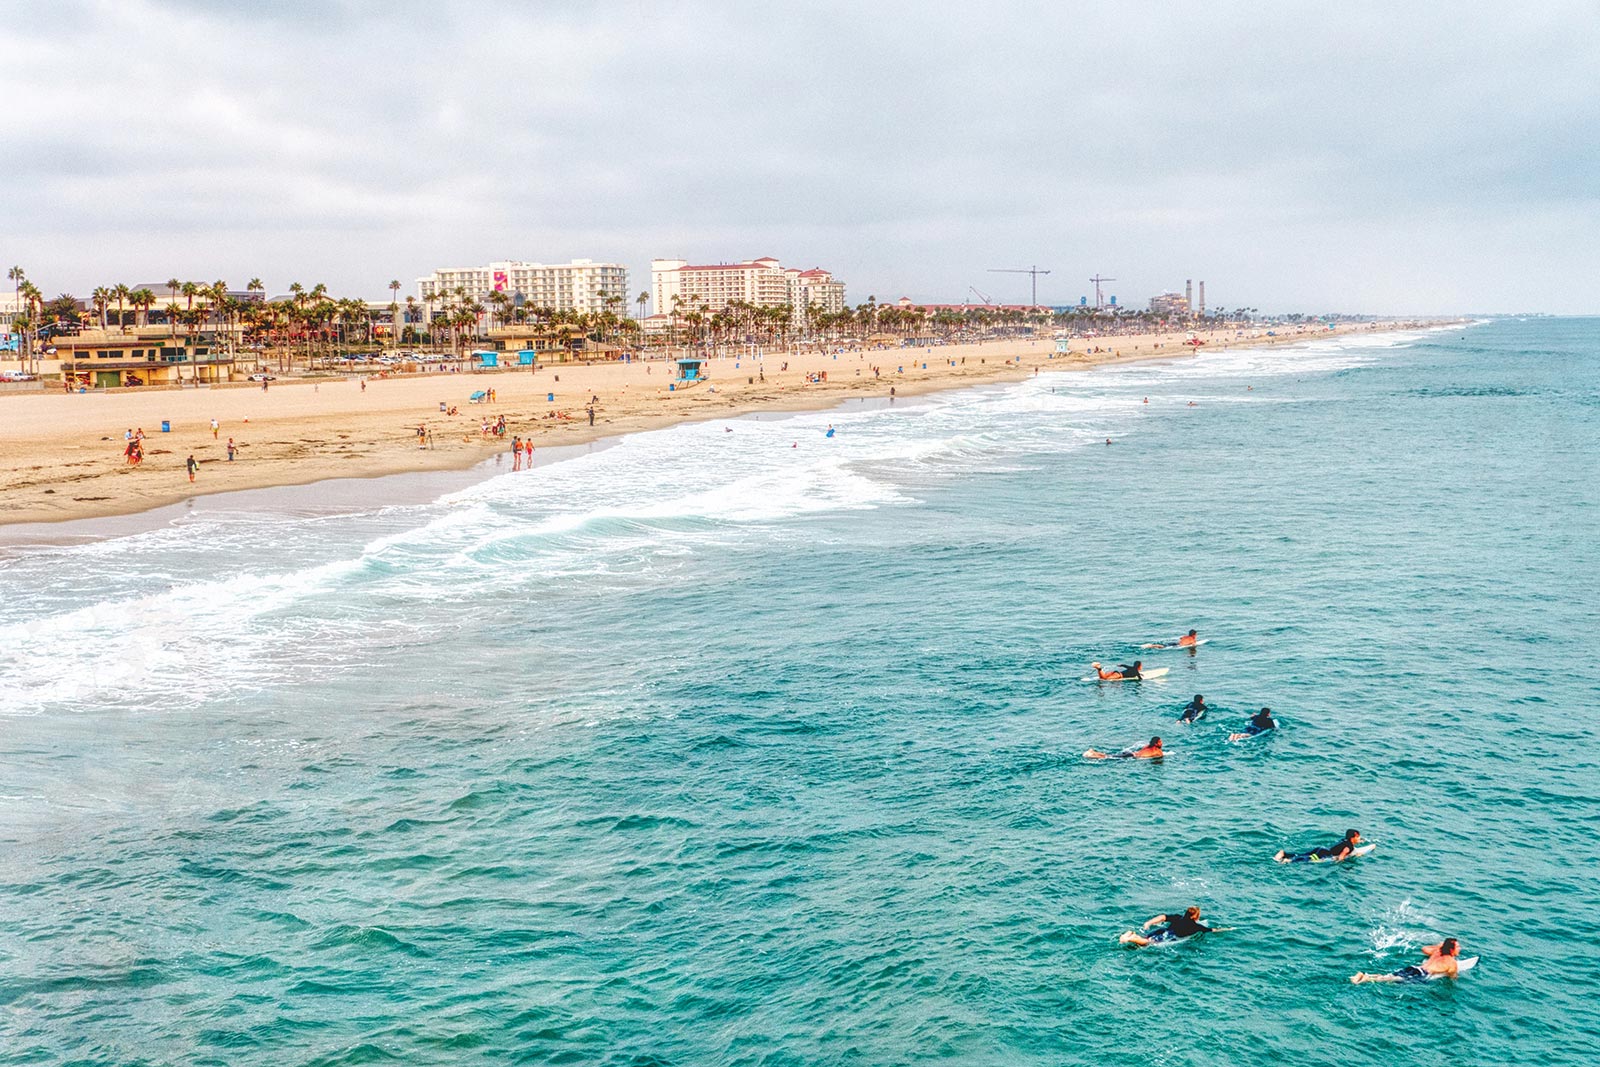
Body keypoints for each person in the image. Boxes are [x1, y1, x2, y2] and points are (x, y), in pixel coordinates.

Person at [1351, 939, 1462, 984]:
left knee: (1389, 976)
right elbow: (1452, 977)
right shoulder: (1451, 962)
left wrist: (1440, 946)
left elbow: (1424, 949)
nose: (1460, 948)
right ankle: (1365, 979)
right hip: (1421, 974)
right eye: (1457, 947)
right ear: (1452, 949)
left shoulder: (1438, 951)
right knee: (1392, 980)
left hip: (1414, 967)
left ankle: (1363, 975)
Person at [1119, 905, 1215, 946]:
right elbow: (1212, 930)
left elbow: (1162, 917)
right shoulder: (1196, 927)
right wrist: (1228, 929)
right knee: (1146, 943)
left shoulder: (1178, 917)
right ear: (1195, 916)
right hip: (1168, 936)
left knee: (1146, 938)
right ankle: (1129, 939)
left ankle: (1131, 933)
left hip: (1162, 931)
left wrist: (1149, 923)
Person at [1276, 829, 1363, 864]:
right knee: (1308, 859)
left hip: (1321, 849)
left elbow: (1343, 846)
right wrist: (1339, 863)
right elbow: (1342, 855)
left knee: (1304, 854)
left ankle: (1284, 854)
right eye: (1358, 837)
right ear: (1353, 837)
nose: (1359, 838)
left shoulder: (1345, 840)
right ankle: (1289, 860)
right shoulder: (1349, 847)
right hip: (1325, 854)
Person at [1085, 737, 1163, 761]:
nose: (1161, 743)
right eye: (1160, 742)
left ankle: (1093, 752)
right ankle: (1092, 755)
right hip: (1131, 756)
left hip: (1131, 753)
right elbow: (1158, 757)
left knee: (1111, 755)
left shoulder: (1148, 746)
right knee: (1109, 757)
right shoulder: (1158, 751)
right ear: (1156, 744)